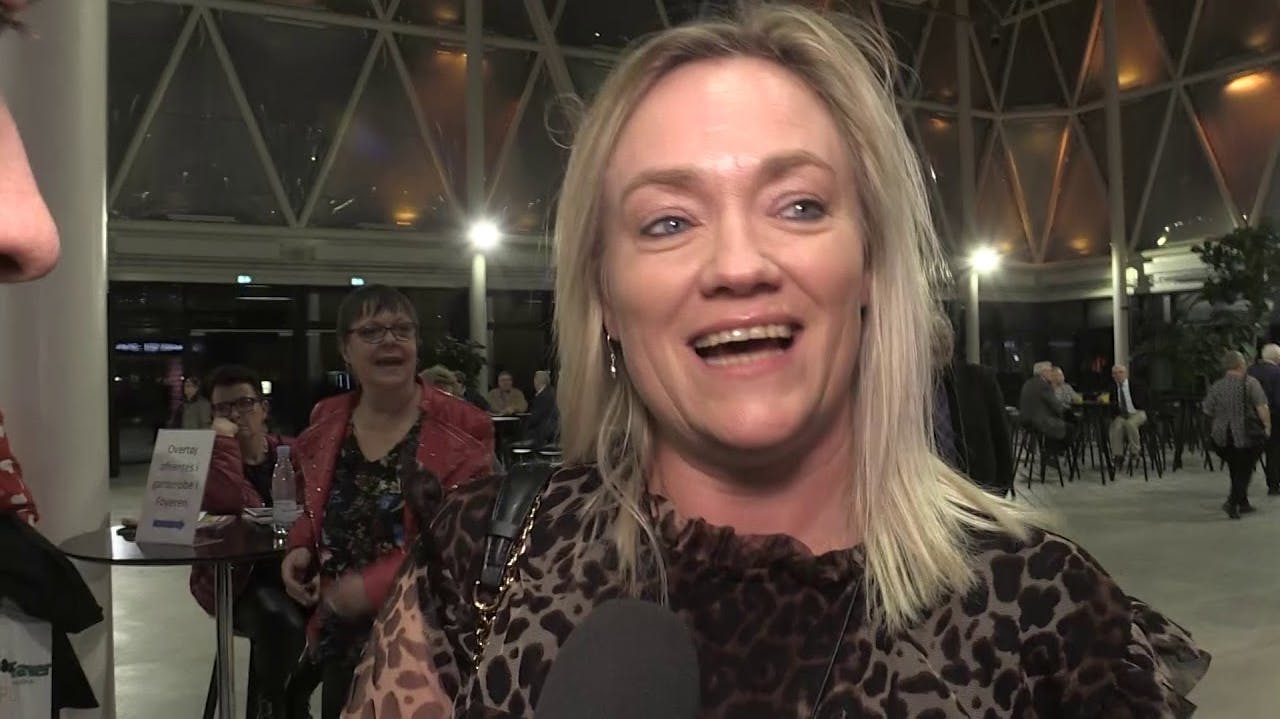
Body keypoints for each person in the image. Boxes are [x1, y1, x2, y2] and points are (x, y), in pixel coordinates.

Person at [343, 6, 1207, 716]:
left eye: (798, 205)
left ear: (870, 264)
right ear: (604, 296)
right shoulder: (483, 560)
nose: (738, 264)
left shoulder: (1047, 616)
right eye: (669, 221)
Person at [280, 284, 494, 719]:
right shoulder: (326, 420)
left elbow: (466, 539)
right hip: (341, 641)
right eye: (371, 332)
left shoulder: (464, 425)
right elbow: (314, 501)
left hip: (429, 644)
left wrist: (370, 587)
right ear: (345, 349)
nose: (390, 341)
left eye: (401, 329)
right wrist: (299, 547)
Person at [188, 364, 307, 718]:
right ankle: (274, 707)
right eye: (224, 408)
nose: (236, 414)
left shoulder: (292, 453)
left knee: (349, 618)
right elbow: (229, 499)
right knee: (279, 622)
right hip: (236, 582)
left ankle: (293, 700)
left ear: (263, 408)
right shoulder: (207, 462)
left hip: (296, 571)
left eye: (244, 403)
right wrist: (224, 444)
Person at [1204, 350, 1271, 519]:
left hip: (1221, 436)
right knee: (1245, 470)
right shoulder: (1250, 383)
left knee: (1235, 467)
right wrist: (1267, 426)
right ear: (1241, 365)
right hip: (1245, 435)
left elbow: (1207, 409)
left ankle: (1243, 502)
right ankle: (1232, 502)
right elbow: (1262, 407)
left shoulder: (1217, 386)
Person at [939, 362, 1014, 495]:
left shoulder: (979, 380)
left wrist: (995, 497)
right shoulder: (901, 389)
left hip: (975, 496)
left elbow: (1002, 445)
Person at [1247, 343, 1280, 495]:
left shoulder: (1250, 371)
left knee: (1251, 450)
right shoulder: (1277, 373)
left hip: (1251, 417)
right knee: (1274, 451)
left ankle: (1242, 484)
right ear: (1277, 357)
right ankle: (1273, 484)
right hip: (1273, 416)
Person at [1018, 361, 1070, 443]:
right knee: (1070, 427)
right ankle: (1054, 449)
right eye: (1050, 371)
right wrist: (1066, 411)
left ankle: (1049, 447)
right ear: (1043, 372)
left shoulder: (1028, 382)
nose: (1052, 374)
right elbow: (1056, 406)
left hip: (1026, 420)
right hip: (1040, 421)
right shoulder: (1043, 385)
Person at [1109, 364, 1150, 467]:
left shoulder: (1136, 384)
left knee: (1130, 423)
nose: (1118, 375)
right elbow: (1112, 405)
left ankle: (1135, 451)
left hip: (1138, 412)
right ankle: (1118, 455)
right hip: (1122, 414)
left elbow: (1145, 400)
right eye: (1115, 373)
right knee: (1116, 426)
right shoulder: (1113, 388)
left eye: (1120, 372)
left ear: (1126, 374)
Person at [523, 369, 559, 447]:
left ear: (537, 381)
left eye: (534, 380)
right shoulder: (551, 392)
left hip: (542, 434)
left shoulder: (543, 396)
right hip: (551, 431)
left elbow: (535, 417)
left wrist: (525, 425)